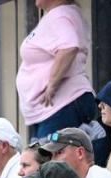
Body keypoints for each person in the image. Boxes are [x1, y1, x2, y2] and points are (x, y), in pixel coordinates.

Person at [16, 0, 95, 138]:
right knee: (46, 157)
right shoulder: (59, 14)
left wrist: (52, 84)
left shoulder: (60, 15)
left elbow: (69, 47)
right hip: (54, 109)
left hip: (62, 105)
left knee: (54, 157)